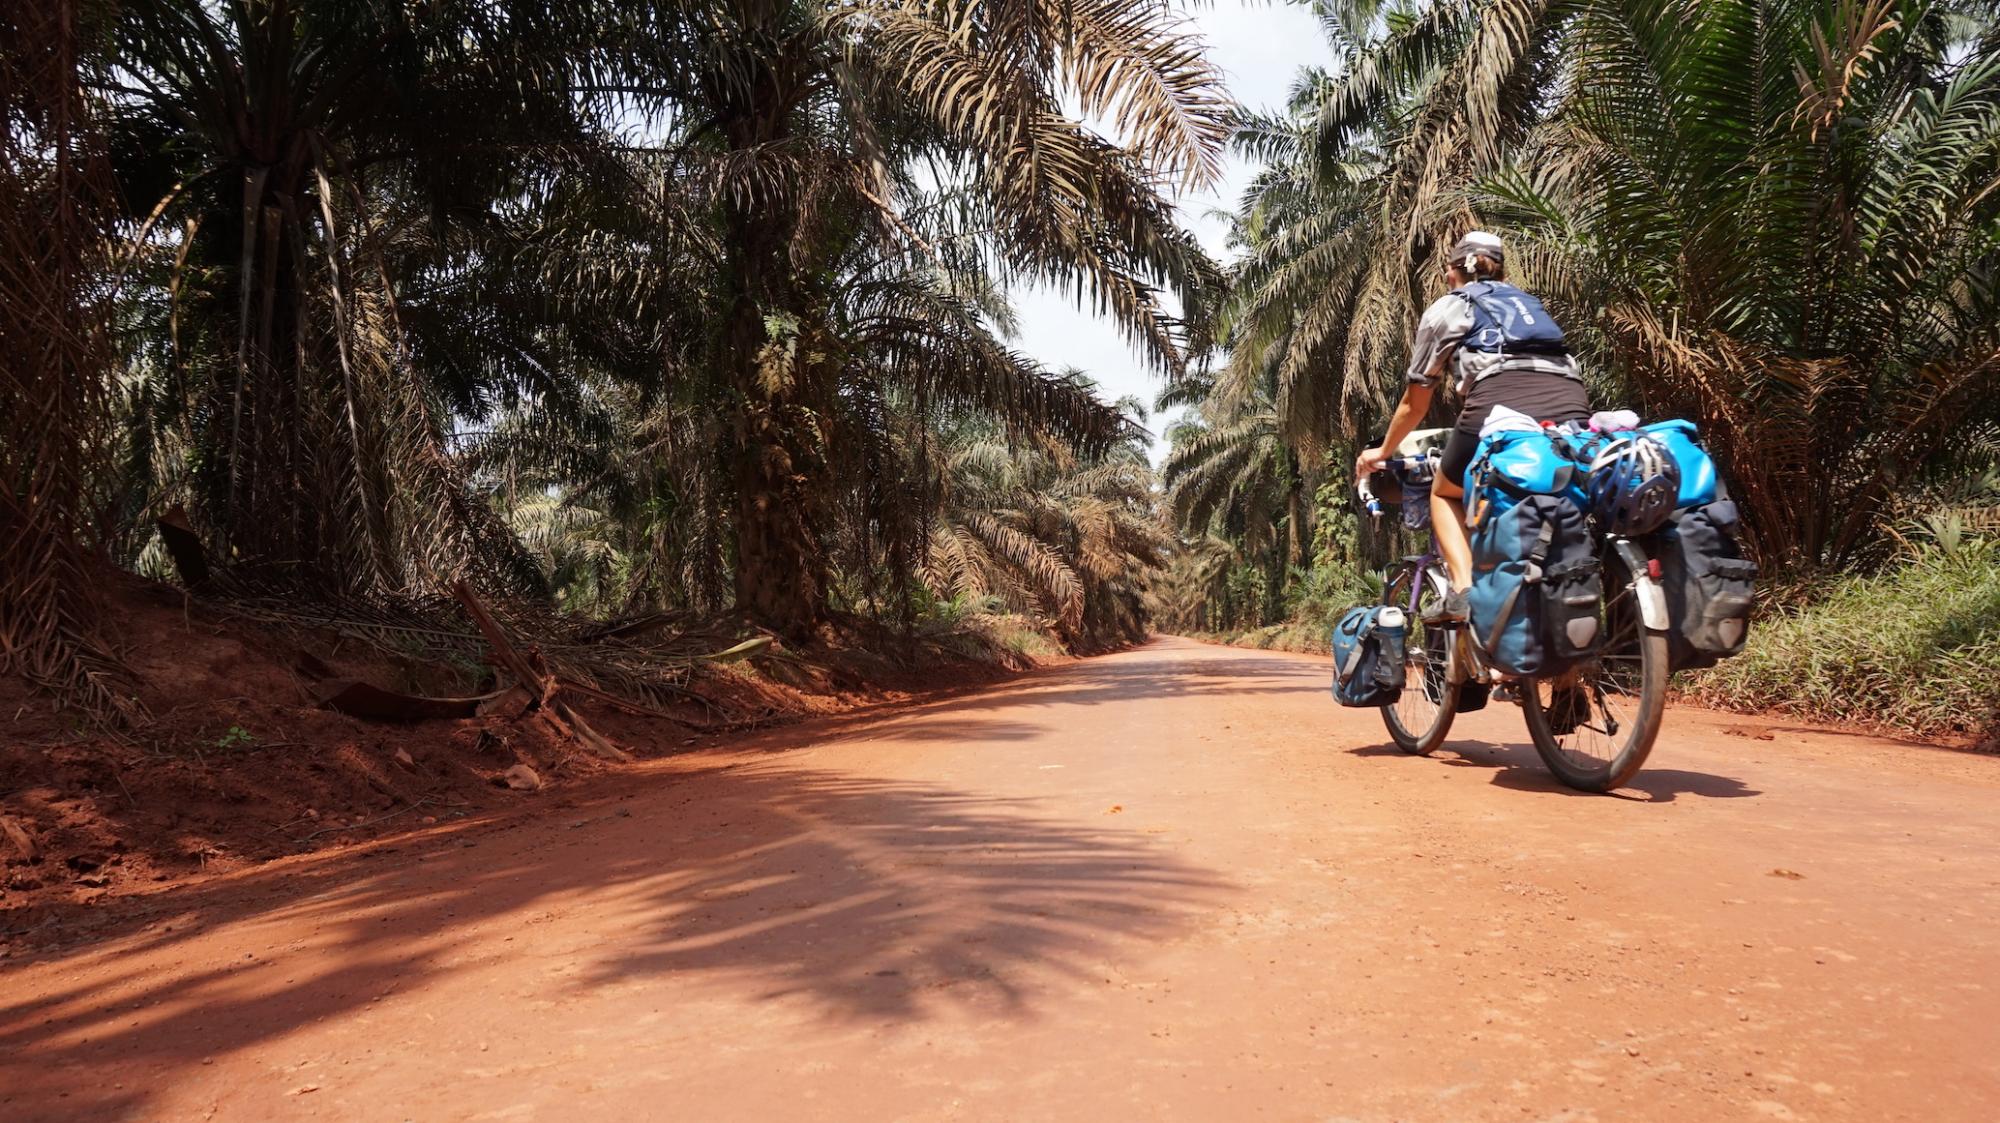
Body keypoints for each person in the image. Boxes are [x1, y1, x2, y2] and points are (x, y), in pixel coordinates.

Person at [1355, 231, 1589, 623]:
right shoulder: (1530, 304)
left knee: (1444, 492)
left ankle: (1463, 592)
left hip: (1497, 405)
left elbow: (1416, 400)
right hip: (1570, 406)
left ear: (1453, 271)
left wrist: (1380, 452)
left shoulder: (1450, 307)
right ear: (1500, 269)